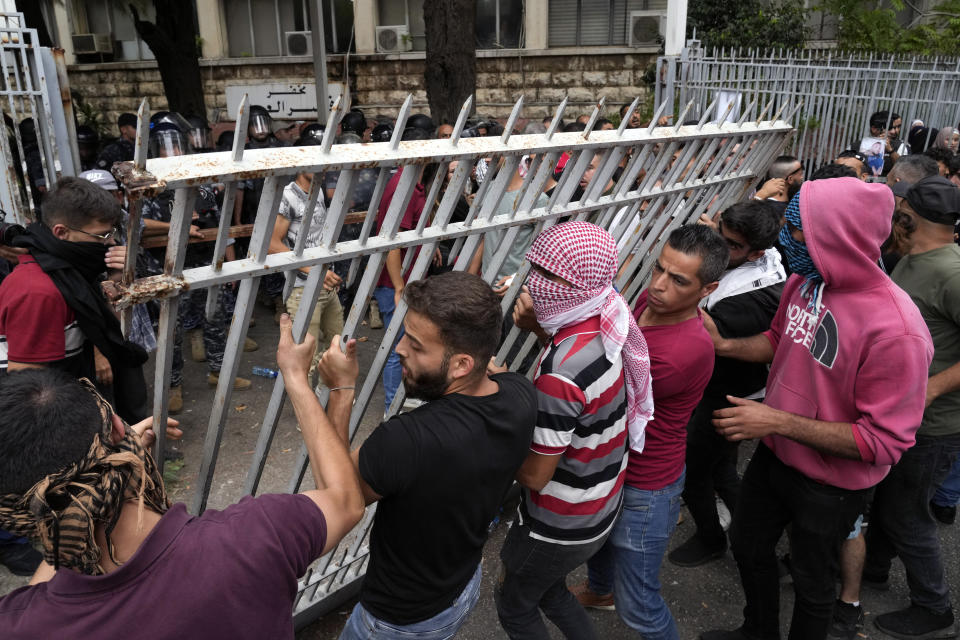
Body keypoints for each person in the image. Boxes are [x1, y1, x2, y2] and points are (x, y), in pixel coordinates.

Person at [0, 322, 365, 638]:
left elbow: (57, 549)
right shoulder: (254, 538)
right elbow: (346, 500)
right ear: (115, 427)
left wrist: (93, 485)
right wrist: (298, 378)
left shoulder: (22, 625)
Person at [700, 177, 934, 640]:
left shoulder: (897, 330)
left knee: (814, 583)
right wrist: (723, 345)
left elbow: (883, 442)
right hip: (776, 456)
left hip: (831, 486)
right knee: (748, 548)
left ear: (839, 235)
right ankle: (758, 631)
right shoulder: (808, 281)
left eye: (798, 228)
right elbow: (778, 340)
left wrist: (776, 420)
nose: (786, 239)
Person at [313, 270, 538, 639]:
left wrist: (340, 391)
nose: (399, 348)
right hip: (462, 586)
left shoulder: (407, 440)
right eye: (405, 334)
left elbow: (336, 497)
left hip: (397, 621)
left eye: (416, 346)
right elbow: (498, 373)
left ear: (462, 364)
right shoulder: (520, 393)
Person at [495, 222, 654, 640]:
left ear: (578, 284)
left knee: (514, 603)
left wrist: (493, 406)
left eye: (548, 275)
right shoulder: (603, 320)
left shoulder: (561, 372)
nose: (534, 282)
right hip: (598, 504)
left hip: (559, 521)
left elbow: (533, 475)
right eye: (535, 269)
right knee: (549, 592)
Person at [574, 225, 727, 639]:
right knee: (602, 543)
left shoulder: (679, 353)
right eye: (658, 268)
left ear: (707, 288)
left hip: (645, 485)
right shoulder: (650, 301)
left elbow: (594, 394)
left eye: (678, 280)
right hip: (616, 462)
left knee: (639, 604)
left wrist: (541, 330)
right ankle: (600, 590)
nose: (658, 285)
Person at [861, 176, 960, 640]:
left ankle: (934, 605)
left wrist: (931, 391)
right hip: (901, 415)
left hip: (932, 425)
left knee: (907, 514)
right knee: (888, 501)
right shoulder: (912, 258)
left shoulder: (951, 272)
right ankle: (874, 570)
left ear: (909, 216)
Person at [669, 201, 785, 568]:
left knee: (694, 473)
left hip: (727, 396)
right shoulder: (765, 262)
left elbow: (693, 330)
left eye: (732, 245)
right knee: (721, 470)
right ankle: (754, 541)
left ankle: (714, 539)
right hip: (730, 389)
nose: (721, 247)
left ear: (758, 252)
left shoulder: (743, 302)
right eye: (721, 234)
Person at [0, 176, 149, 423]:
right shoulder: (39, 291)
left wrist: (116, 283)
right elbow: (27, 397)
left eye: (113, 233)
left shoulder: (70, 271)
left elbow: (109, 332)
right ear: (62, 232)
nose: (110, 243)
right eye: (102, 236)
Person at [268, 137, 344, 385]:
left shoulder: (318, 191)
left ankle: (330, 399)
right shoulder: (288, 196)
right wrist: (315, 272)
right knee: (306, 358)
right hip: (302, 288)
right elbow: (272, 245)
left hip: (326, 284)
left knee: (336, 347)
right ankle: (308, 416)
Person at [859, 110, 909, 177]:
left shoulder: (900, 146)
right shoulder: (859, 145)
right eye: (890, 128)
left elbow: (903, 169)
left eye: (898, 127)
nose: (894, 131)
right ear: (874, 129)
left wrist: (891, 151)